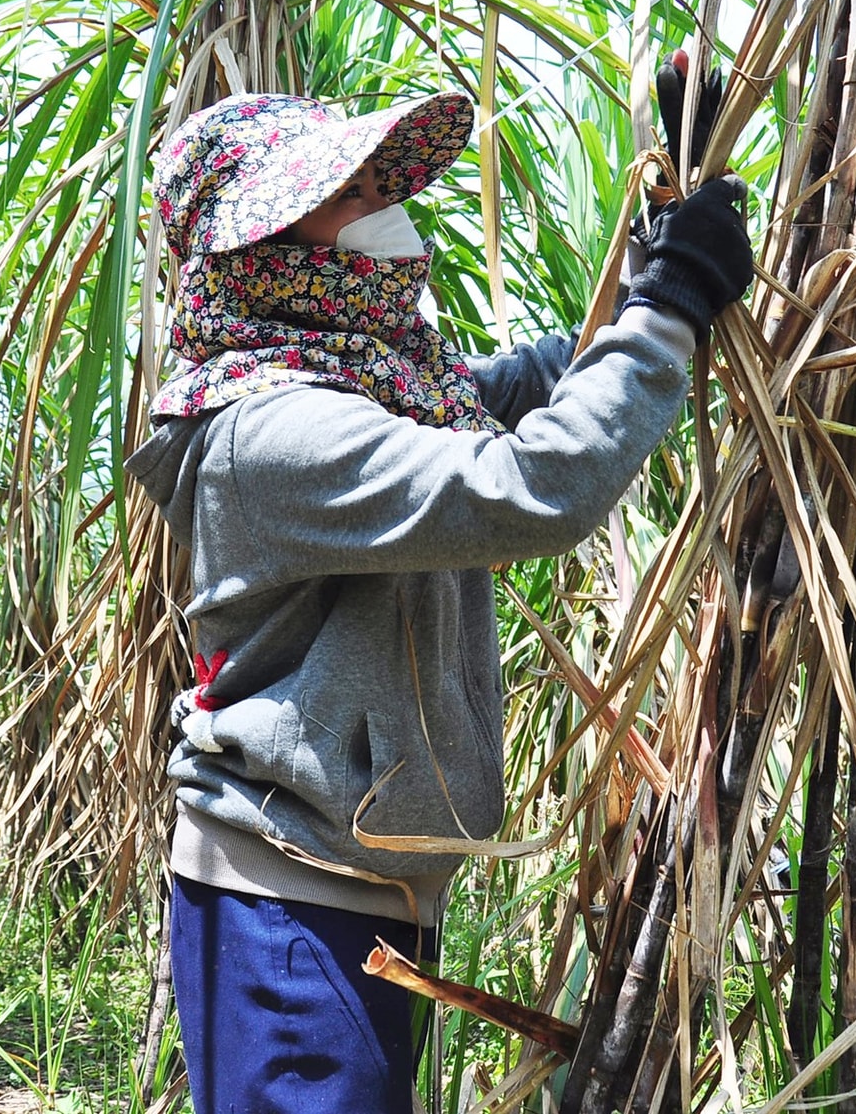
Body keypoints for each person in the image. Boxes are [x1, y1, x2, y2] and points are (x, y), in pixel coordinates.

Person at [130, 78, 751, 1114]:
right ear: (268, 249)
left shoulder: (372, 383)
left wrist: (657, 253)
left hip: (351, 886)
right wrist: (669, 310)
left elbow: (530, 384)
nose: (386, 214)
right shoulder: (273, 431)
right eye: (350, 193)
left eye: (382, 183)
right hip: (288, 899)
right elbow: (535, 488)